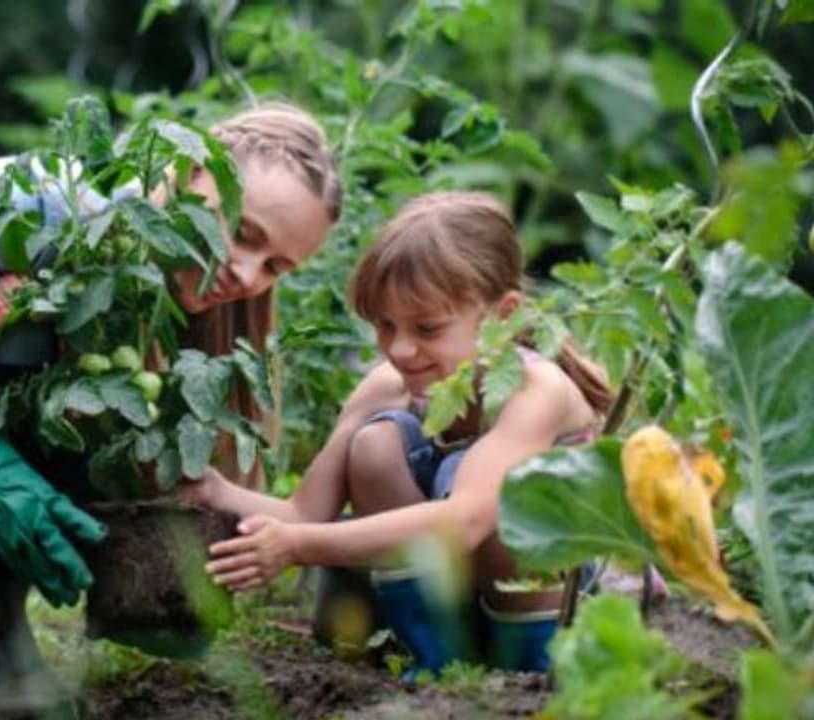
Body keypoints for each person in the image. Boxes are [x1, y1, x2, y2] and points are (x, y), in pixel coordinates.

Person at [0, 102, 342, 713]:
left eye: (276, 267)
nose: (246, 273)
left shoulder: (192, 305)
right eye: (243, 234)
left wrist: (164, 568)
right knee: (33, 309)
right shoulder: (39, 207)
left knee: (116, 392)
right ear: (190, 172)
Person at [182, 191, 611, 676]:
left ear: (503, 314)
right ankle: (434, 658)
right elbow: (304, 513)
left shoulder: (536, 389)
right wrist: (211, 491)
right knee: (375, 445)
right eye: (386, 325)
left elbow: (466, 520)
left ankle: (529, 669)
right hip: (458, 592)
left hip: (550, 602)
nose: (401, 350)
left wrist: (296, 546)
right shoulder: (389, 386)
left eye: (427, 329)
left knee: (513, 497)